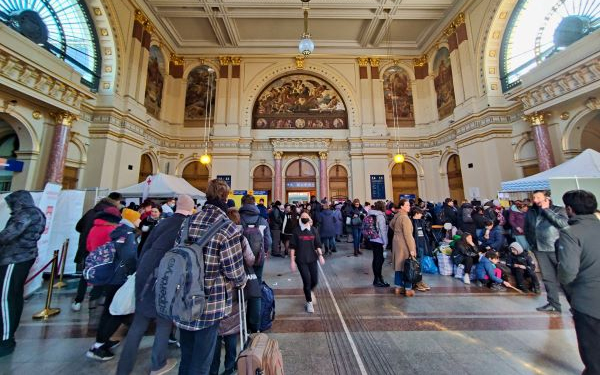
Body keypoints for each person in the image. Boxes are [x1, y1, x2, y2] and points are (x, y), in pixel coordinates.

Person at [115, 195, 195, 375]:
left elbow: (144, 249)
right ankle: (158, 364)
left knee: (138, 324)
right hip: (166, 278)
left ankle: (123, 369)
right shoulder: (187, 227)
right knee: (164, 322)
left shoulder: (162, 223)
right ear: (191, 209)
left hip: (145, 276)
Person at [174, 179, 246, 375]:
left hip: (184, 297)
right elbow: (234, 270)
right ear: (226, 196)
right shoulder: (227, 227)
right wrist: (242, 281)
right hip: (210, 303)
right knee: (203, 361)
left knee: (187, 356)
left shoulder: (187, 222)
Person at [86, 208, 140, 361]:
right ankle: (98, 346)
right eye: (137, 218)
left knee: (109, 310)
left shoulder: (118, 231)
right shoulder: (128, 234)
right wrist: (133, 272)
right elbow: (129, 256)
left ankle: (102, 340)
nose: (139, 220)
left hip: (110, 276)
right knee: (117, 311)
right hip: (119, 277)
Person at [557, 190, 600, 375]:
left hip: (587, 300)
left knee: (593, 352)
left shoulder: (570, 233)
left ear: (569, 209)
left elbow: (567, 271)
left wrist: (570, 292)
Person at [209, 208, 256, 375]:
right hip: (236, 288)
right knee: (232, 328)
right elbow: (250, 259)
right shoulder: (240, 237)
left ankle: (213, 369)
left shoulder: (214, 235)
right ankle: (230, 366)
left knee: (215, 331)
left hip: (215, 289)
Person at [0, 191, 46, 357]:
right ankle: (9, 333)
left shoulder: (26, 214)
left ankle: (5, 339)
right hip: (25, 257)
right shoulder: (38, 213)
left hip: (14, 258)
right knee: (14, 296)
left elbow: (9, 235)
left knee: (5, 298)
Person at [72, 192, 122, 312]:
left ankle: (78, 301)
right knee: (102, 273)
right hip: (102, 249)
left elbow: (78, 227)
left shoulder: (91, 212)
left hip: (87, 246)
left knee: (86, 273)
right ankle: (97, 300)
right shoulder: (110, 214)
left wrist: (87, 234)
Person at [525, 190, 568, 313]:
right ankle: (553, 303)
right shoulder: (531, 211)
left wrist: (546, 210)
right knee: (548, 278)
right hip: (539, 248)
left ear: (546, 198)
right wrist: (532, 243)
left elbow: (563, 224)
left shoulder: (558, 210)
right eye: (534, 197)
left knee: (565, 278)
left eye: (538, 197)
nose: (535, 200)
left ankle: (575, 305)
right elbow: (527, 228)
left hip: (555, 248)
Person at [290, 210, 325, 313]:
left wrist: (321, 256)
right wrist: (292, 261)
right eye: (302, 217)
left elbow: (318, 244)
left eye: (306, 216)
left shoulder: (313, 230)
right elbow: (292, 247)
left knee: (315, 280)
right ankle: (309, 302)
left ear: (309, 219)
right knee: (307, 281)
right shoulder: (296, 231)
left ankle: (309, 291)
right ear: (300, 219)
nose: (304, 218)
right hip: (301, 260)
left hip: (313, 259)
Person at [390, 199, 415, 296]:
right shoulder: (405, 218)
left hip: (396, 243)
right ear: (402, 206)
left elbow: (391, 225)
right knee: (408, 266)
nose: (409, 206)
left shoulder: (397, 215)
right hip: (404, 244)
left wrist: (397, 233)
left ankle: (398, 287)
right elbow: (408, 235)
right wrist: (412, 249)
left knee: (398, 266)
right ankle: (408, 289)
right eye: (407, 205)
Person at [367, 201, 389, 288]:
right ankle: (378, 280)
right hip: (379, 240)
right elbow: (383, 230)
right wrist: (385, 242)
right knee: (379, 261)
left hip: (372, 238)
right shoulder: (380, 216)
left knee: (375, 259)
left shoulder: (370, 214)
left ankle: (377, 279)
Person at [411, 207, 431, 292]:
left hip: (422, 245)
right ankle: (417, 283)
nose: (422, 215)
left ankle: (420, 281)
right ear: (416, 213)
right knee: (416, 265)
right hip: (416, 246)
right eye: (420, 213)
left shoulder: (421, 221)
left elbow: (426, 232)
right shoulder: (411, 222)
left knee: (421, 265)